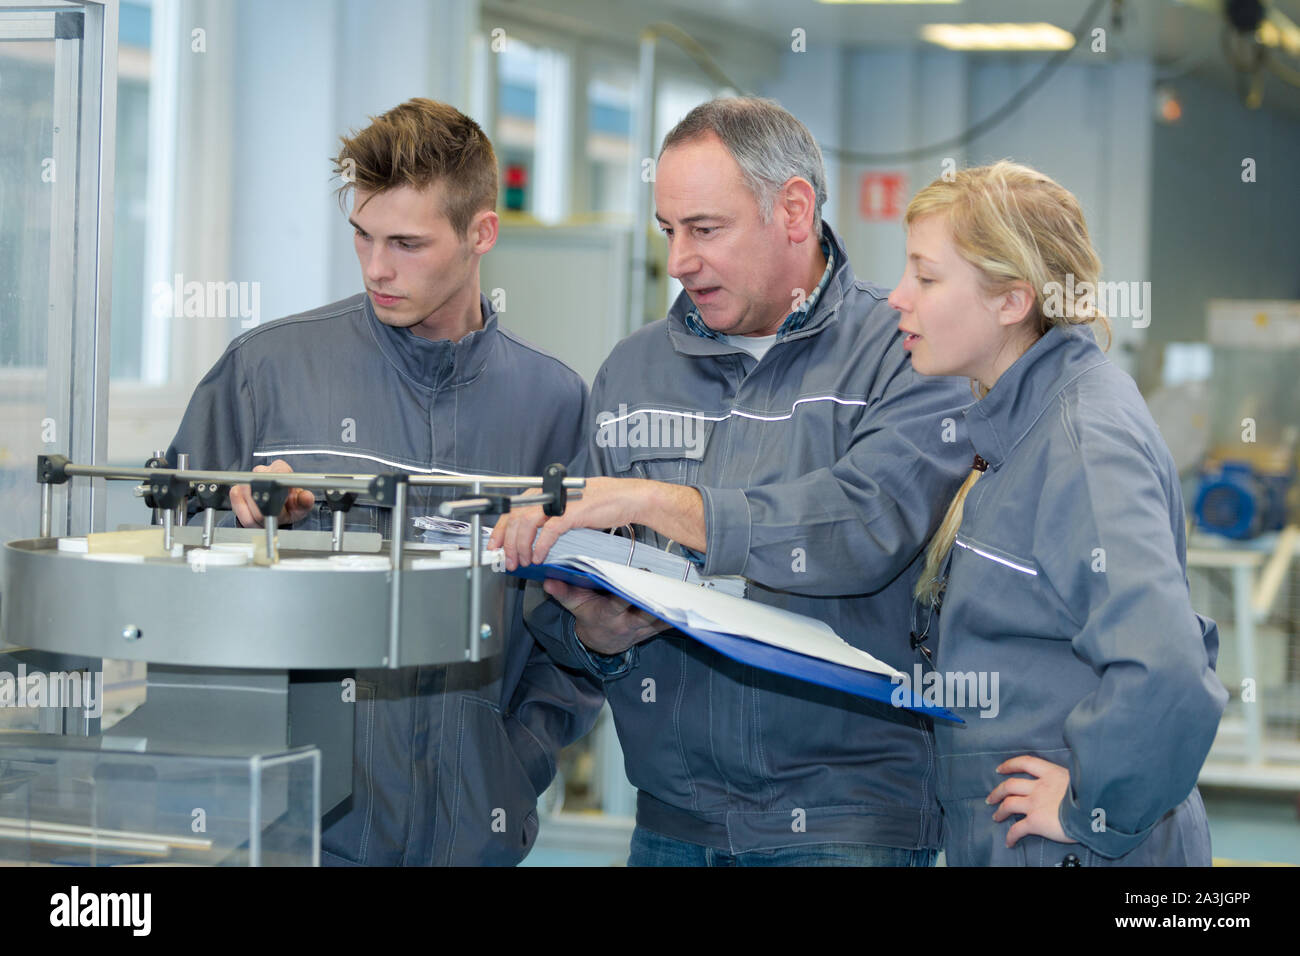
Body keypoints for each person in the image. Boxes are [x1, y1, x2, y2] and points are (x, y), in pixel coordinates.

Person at [490, 97, 974, 866]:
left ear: (793, 210)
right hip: (672, 823)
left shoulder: (906, 351)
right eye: (668, 231)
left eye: (705, 229)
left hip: (848, 822)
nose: (679, 260)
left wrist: (659, 503)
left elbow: (862, 527)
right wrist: (595, 635)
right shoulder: (633, 371)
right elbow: (568, 604)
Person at [165, 98, 604, 866]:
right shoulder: (266, 374)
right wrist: (245, 531)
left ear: (481, 234)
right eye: (363, 237)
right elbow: (168, 582)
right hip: (295, 835)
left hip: (472, 837)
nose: (376, 267)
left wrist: (513, 765)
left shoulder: (553, 403)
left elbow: (578, 626)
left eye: (406, 243)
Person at [887, 160, 1226, 866]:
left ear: (1012, 300)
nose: (897, 298)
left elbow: (1167, 668)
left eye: (925, 276)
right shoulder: (1021, 426)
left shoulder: (1082, 441)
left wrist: (1091, 807)